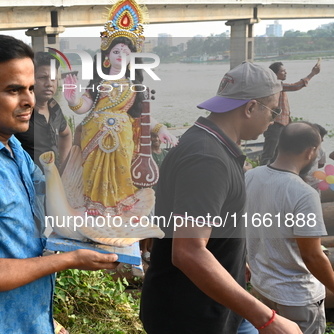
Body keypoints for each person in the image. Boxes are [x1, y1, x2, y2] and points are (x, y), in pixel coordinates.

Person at [0, 34, 119, 334]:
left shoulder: (12, 148)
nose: (29, 100)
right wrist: (68, 260)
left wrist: (110, 216)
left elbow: (48, 200)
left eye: (30, 88)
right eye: (14, 90)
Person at [140, 62, 302, 334]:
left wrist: (235, 256)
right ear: (250, 108)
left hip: (219, 307)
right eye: (273, 110)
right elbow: (189, 252)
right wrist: (267, 318)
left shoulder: (206, 143)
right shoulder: (207, 159)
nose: (274, 119)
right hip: (191, 317)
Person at [63, 0, 175, 216]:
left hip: (123, 141)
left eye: (126, 52)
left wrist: (160, 128)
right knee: (94, 176)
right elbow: (85, 106)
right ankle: (93, 207)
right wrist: (72, 100)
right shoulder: (97, 83)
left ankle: (118, 210)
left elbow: (141, 116)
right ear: (107, 56)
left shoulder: (135, 87)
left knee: (120, 176)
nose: (120, 56)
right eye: (116, 52)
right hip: (95, 137)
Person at [246, 122, 331, 334]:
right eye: (318, 150)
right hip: (297, 298)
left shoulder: (250, 177)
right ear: (311, 151)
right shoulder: (304, 194)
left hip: (263, 289)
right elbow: (312, 256)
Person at [15, 51, 71, 170]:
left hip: (53, 183)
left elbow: (66, 134)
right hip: (27, 184)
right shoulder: (19, 111)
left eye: (53, 79)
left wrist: (64, 167)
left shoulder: (54, 108)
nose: (49, 84)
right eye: (42, 78)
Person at [260, 61, 321, 165]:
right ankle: (262, 176)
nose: (285, 73)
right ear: (275, 74)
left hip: (282, 125)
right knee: (269, 153)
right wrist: (312, 74)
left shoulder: (278, 86)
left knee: (277, 153)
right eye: (283, 71)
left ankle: (273, 175)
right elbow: (295, 86)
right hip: (274, 125)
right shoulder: (275, 85)